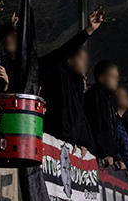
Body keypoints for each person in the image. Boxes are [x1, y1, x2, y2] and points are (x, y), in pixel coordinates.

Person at [38, 8, 106, 147]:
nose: (85, 63)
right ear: (69, 59)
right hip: (57, 141)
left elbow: (79, 117)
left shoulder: (78, 83)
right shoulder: (58, 76)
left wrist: (81, 142)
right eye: (82, 58)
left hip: (70, 143)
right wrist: (88, 30)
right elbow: (59, 113)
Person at [85, 60, 128, 165]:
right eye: (112, 76)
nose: (117, 80)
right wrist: (103, 154)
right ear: (102, 78)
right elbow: (95, 127)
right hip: (98, 158)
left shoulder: (111, 100)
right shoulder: (93, 97)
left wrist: (116, 157)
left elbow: (112, 133)